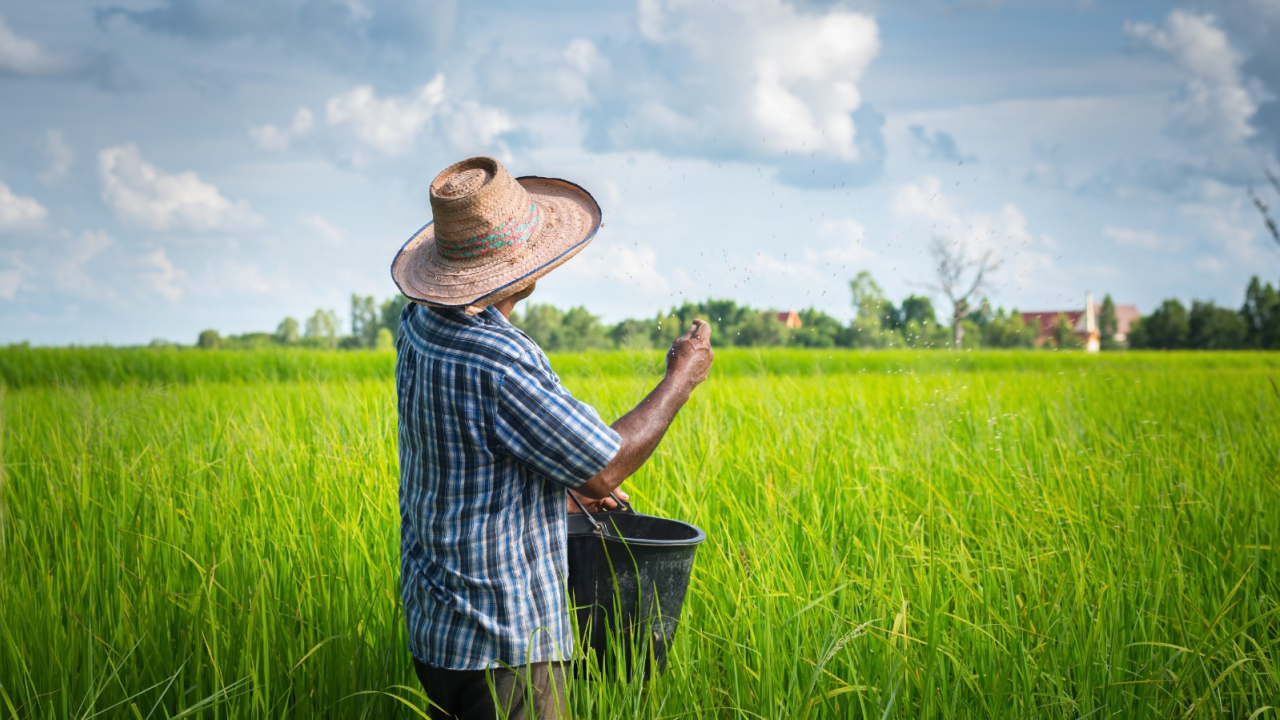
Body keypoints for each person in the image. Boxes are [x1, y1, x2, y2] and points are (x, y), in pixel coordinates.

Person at [389, 156, 714, 719]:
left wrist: (560, 493)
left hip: (437, 629)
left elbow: (465, 460)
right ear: (518, 266)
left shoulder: (419, 323)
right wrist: (679, 379)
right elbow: (604, 466)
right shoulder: (498, 359)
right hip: (503, 645)